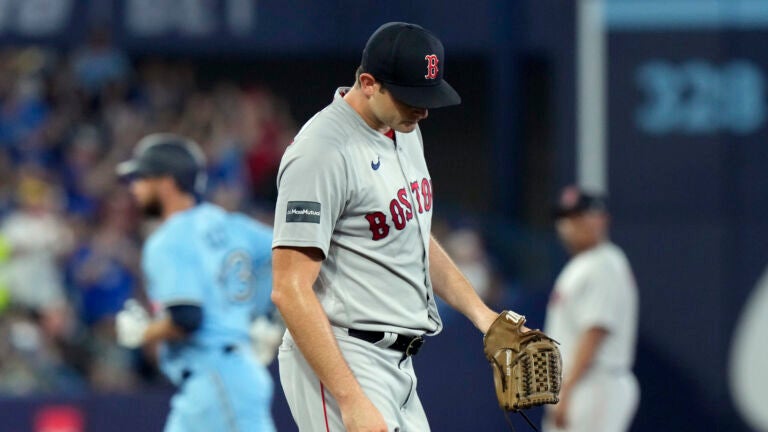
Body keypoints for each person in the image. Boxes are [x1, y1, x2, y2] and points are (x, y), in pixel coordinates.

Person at [271, 22, 533, 432]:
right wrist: (350, 398)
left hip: (398, 367)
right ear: (368, 83)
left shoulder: (403, 129)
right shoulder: (320, 153)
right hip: (343, 356)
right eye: (412, 97)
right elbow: (289, 289)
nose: (424, 110)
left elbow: (414, 236)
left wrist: (484, 317)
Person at [115, 133, 277, 432]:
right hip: (230, 374)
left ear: (165, 182)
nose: (134, 188)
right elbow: (293, 255)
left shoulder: (167, 240)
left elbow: (187, 317)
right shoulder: (230, 223)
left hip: (215, 378)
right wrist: (267, 317)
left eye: (141, 178)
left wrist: (144, 332)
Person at [543, 186, 640, 432]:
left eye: (578, 217)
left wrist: (568, 389)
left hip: (594, 381)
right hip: (583, 383)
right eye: (564, 218)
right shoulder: (586, 263)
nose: (568, 226)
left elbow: (595, 331)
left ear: (601, 219)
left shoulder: (603, 264)